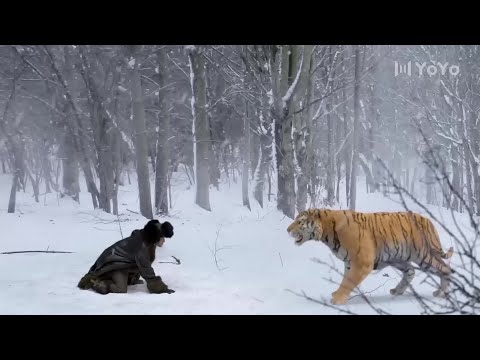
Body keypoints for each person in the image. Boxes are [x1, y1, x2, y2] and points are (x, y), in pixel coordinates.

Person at [78, 219, 175, 295]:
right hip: (113, 265)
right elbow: (146, 269)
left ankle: (128, 278)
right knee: (121, 289)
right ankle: (99, 283)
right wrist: (161, 289)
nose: (164, 241)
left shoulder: (147, 239)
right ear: (156, 237)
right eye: (163, 238)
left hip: (122, 264)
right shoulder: (141, 247)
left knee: (136, 266)